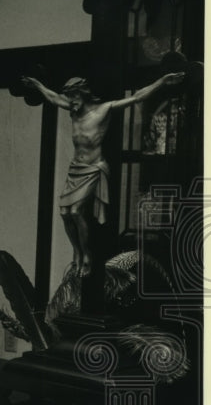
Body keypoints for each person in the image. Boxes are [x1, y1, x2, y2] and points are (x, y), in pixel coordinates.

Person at [21, 72, 184, 276]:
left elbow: (136, 97)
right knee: (64, 213)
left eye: (73, 97)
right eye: (69, 98)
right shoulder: (74, 110)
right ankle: (77, 251)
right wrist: (37, 83)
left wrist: (161, 81)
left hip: (92, 168)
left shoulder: (103, 110)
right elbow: (53, 97)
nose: (70, 103)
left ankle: (86, 254)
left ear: (82, 94)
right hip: (75, 169)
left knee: (76, 211)